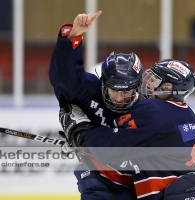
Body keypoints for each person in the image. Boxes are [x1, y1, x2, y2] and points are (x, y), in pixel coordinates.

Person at [49, 11, 143, 199]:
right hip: (98, 180)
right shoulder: (90, 90)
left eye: (125, 91)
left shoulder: (147, 109)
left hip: (135, 182)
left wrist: (82, 136)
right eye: (113, 89)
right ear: (103, 82)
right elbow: (65, 77)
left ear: (137, 87)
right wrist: (74, 35)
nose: (118, 97)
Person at [79, 58, 195, 200]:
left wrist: (82, 132)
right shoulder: (186, 113)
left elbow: (108, 146)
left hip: (168, 194)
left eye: (154, 80)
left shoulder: (154, 110)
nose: (148, 84)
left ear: (168, 87)